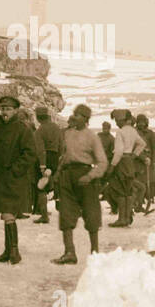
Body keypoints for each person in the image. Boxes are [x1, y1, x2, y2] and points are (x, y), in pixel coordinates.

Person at [0, 94, 38, 264]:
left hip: (14, 178)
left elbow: (30, 153)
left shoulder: (23, 129)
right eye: (3, 109)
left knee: (8, 213)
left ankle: (14, 252)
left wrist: (15, 170)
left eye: (8, 109)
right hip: (1, 178)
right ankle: (8, 251)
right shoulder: (0, 128)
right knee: (6, 215)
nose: (5, 112)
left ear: (16, 111)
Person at [51, 103, 108, 264]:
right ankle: (69, 253)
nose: (74, 117)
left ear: (85, 118)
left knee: (91, 215)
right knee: (66, 214)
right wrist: (57, 174)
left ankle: (95, 253)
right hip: (67, 178)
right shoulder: (67, 134)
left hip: (85, 178)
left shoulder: (92, 136)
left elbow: (103, 163)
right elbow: (64, 156)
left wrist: (90, 176)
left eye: (78, 115)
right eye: (74, 114)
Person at [108, 108, 147, 227]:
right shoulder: (133, 131)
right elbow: (142, 144)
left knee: (120, 190)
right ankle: (127, 217)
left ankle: (122, 218)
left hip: (121, 163)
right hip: (130, 162)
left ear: (121, 120)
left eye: (117, 121)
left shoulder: (120, 132)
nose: (116, 123)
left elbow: (118, 151)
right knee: (128, 190)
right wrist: (134, 155)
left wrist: (112, 166)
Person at [32, 106, 62, 224]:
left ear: (39, 118)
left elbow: (40, 149)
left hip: (44, 159)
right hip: (55, 158)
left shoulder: (39, 130)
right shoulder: (57, 128)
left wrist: (42, 165)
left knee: (41, 187)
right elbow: (61, 146)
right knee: (53, 185)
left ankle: (44, 215)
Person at [134, 114, 155, 212]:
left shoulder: (150, 133)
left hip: (149, 162)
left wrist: (154, 160)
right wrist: (143, 158)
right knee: (139, 183)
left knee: (150, 181)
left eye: (143, 122)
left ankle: (150, 198)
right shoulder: (134, 133)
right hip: (138, 162)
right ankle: (138, 203)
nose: (141, 124)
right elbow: (134, 147)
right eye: (139, 122)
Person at [97, 120, 118, 214]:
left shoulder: (111, 139)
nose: (104, 129)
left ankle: (114, 207)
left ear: (109, 129)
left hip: (107, 165)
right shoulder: (98, 136)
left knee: (107, 187)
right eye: (103, 128)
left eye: (106, 128)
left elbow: (113, 154)